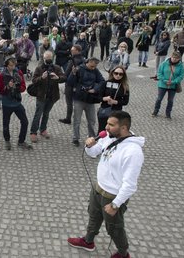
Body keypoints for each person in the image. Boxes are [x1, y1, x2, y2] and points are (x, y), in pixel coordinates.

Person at [67, 111, 145, 258]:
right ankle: (88, 241)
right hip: (98, 189)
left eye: (111, 124)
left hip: (112, 196)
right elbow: (93, 153)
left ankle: (123, 253)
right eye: (107, 123)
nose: (106, 127)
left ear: (123, 128)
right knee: (93, 216)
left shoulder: (133, 152)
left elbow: (130, 185)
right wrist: (90, 146)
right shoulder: (109, 137)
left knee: (114, 228)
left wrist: (115, 205)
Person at [67, 57, 105, 146]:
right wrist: (73, 73)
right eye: (92, 66)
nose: (93, 68)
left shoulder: (95, 70)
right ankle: (75, 138)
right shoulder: (79, 69)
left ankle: (91, 137)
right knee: (77, 120)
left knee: (92, 121)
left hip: (90, 99)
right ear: (88, 62)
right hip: (79, 98)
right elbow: (70, 82)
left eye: (94, 66)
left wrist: (95, 89)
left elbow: (102, 81)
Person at [30, 51, 66, 143]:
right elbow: (34, 80)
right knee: (38, 114)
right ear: (44, 58)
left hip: (52, 96)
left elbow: (64, 77)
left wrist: (57, 78)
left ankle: (43, 129)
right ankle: (33, 132)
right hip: (41, 96)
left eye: (50, 58)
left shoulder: (56, 68)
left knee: (46, 113)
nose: (48, 60)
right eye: (47, 59)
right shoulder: (39, 68)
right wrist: (42, 77)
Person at [0, 57, 31, 150]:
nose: (13, 67)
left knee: (25, 121)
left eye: (14, 65)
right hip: (6, 103)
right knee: (6, 123)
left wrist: (18, 87)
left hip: (17, 101)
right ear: (6, 65)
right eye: (11, 65)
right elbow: (0, 91)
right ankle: (7, 140)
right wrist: (8, 86)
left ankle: (21, 141)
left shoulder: (18, 73)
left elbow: (24, 87)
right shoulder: (1, 75)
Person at [152, 52, 184, 119]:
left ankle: (168, 113)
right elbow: (159, 73)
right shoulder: (164, 64)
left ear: (179, 59)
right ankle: (155, 111)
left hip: (173, 86)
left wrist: (173, 82)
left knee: (170, 100)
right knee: (159, 99)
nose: (174, 59)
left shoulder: (181, 66)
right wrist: (164, 80)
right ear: (171, 57)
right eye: (173, 57)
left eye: (176, 58)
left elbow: (181, 76)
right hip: (162, 85)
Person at [97, 66, 130, 133]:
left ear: (123, 75)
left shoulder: (124, 86)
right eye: (116, 73)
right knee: (102, 130)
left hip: (116, 112)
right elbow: (98, 97)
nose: (118, 75)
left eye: (121, 74)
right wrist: (105, 98)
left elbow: (125, 102)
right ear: (112, 73)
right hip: (104, 109)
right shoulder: (105, 83)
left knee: (113, 131)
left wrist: (115, 102)